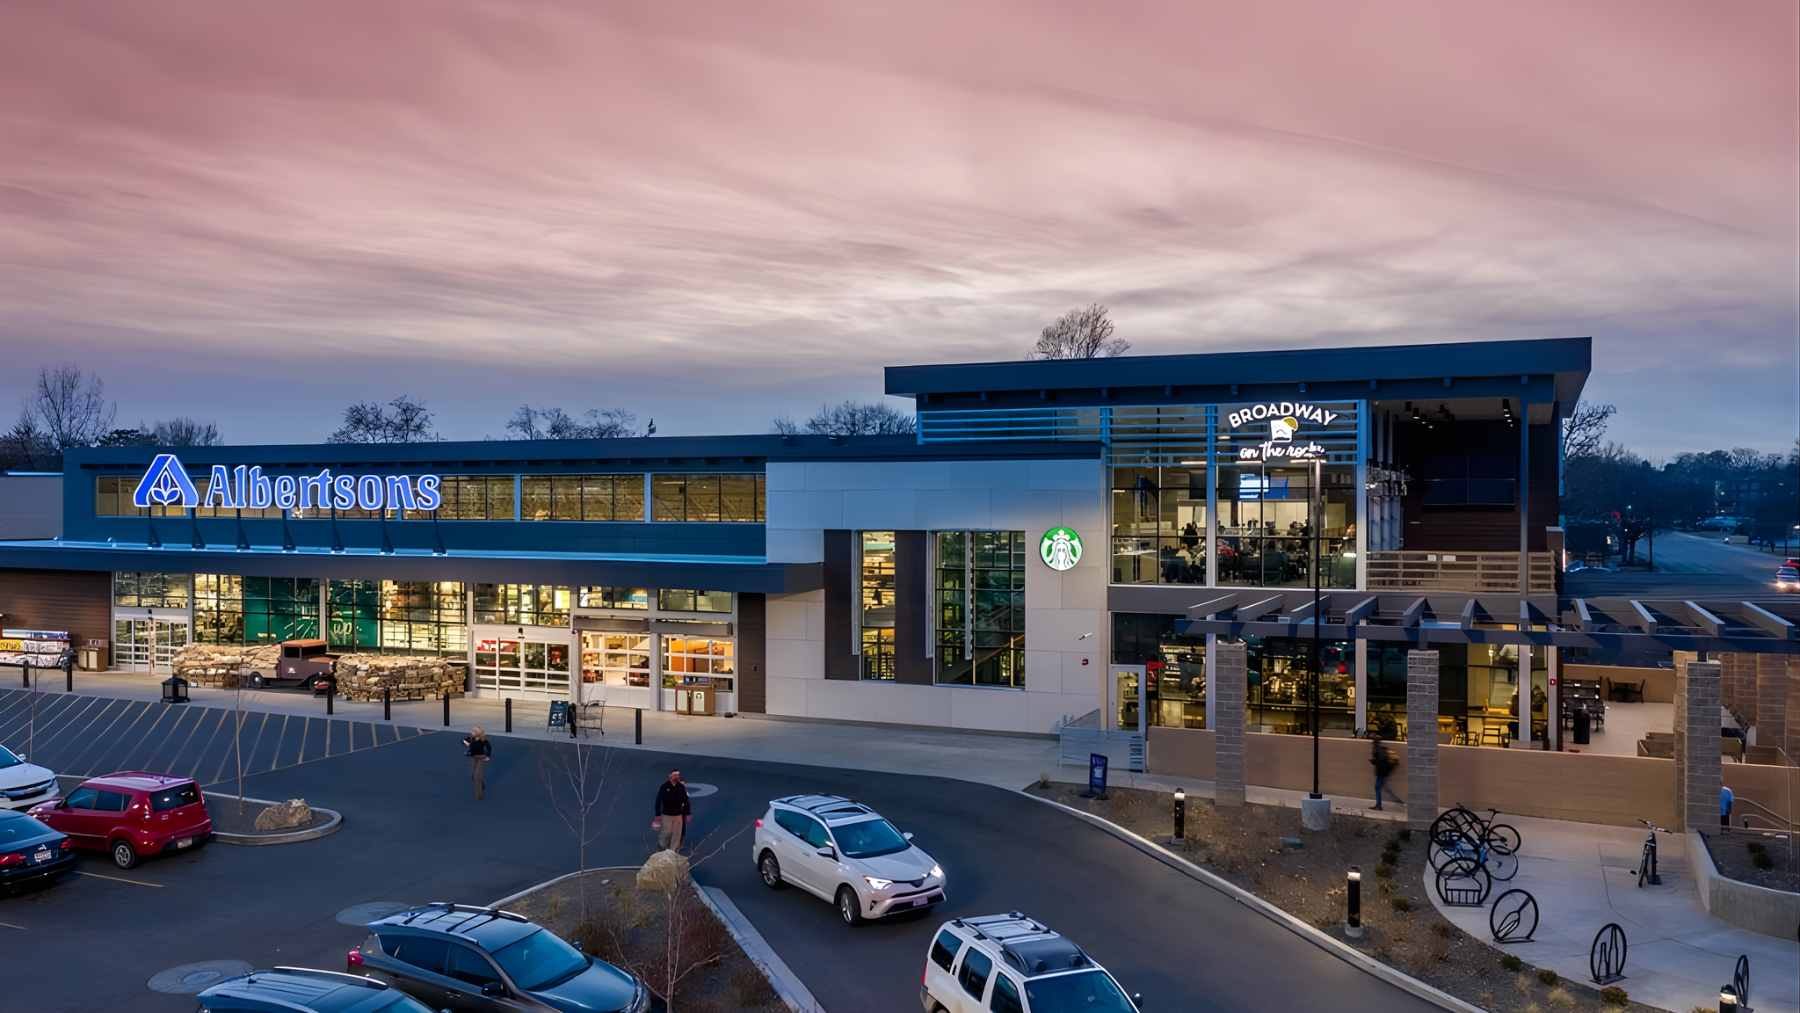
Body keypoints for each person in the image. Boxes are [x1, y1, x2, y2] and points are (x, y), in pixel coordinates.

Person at [652, 768, 691, 851]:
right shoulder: (664, 787)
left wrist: (688, 813)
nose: (676, 777)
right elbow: (658, 801)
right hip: (667, 815)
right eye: (675, 775)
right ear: (670, 776)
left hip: (678, 815)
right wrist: (657, 814)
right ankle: (660, 852)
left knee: (677, 835)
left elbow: (686, 800)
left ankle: (673, 853)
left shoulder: (681, 787)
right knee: (666, 833)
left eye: (678, 775)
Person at [1368, 731, 1403, 811]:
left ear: (1374, 742)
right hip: (1383, 772)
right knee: (1384, 788)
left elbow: (1380, 760)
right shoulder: (1380, 748)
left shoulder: (1377, 749)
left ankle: (1379, 805)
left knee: (1378, 788)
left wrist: (1373, 761)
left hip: (1381, 772)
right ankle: (1397, 801)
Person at [463, 726, 492, 801]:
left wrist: (488, 756)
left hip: (481, 758)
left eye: (473, 731)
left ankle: (479, 795)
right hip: (473, 757)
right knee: (473, 775)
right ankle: (481, 783)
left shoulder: (483, 740)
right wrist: (467, 743)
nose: (471, 732)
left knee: (477, 776)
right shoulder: (471, 738)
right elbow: (463, 741)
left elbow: (489, 748)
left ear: (477, 733)